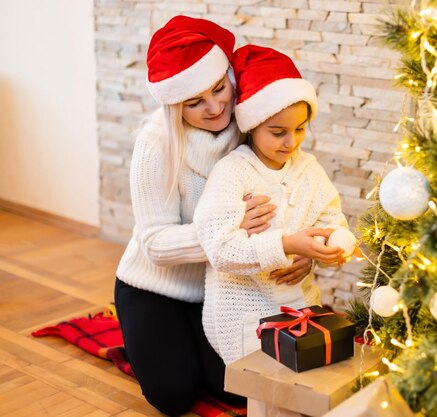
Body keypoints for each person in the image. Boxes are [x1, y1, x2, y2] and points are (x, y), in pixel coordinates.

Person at [114, 17, 312, 416]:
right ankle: (144, 333)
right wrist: (226, 231)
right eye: (194, 102)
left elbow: (291, 191)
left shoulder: (253, 122)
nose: (215, 106)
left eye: (220, 88)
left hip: (225, 288)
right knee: (172, 394)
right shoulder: (154, 145)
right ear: (174, 105)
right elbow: (154, 244)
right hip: (156, 287)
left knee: (242, 389)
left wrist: (302, 249)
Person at [193, 44, 351, 365]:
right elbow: (220, 249)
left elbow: (333, 219)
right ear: (252, 125)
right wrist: (288, 244)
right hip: (244, 313)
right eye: (278, 132)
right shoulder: (232, 172)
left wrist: (327, 247)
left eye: (300, 129)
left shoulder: (309, 169)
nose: (291, 142)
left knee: (320, 374)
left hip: (300, 308)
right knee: (271, 386)